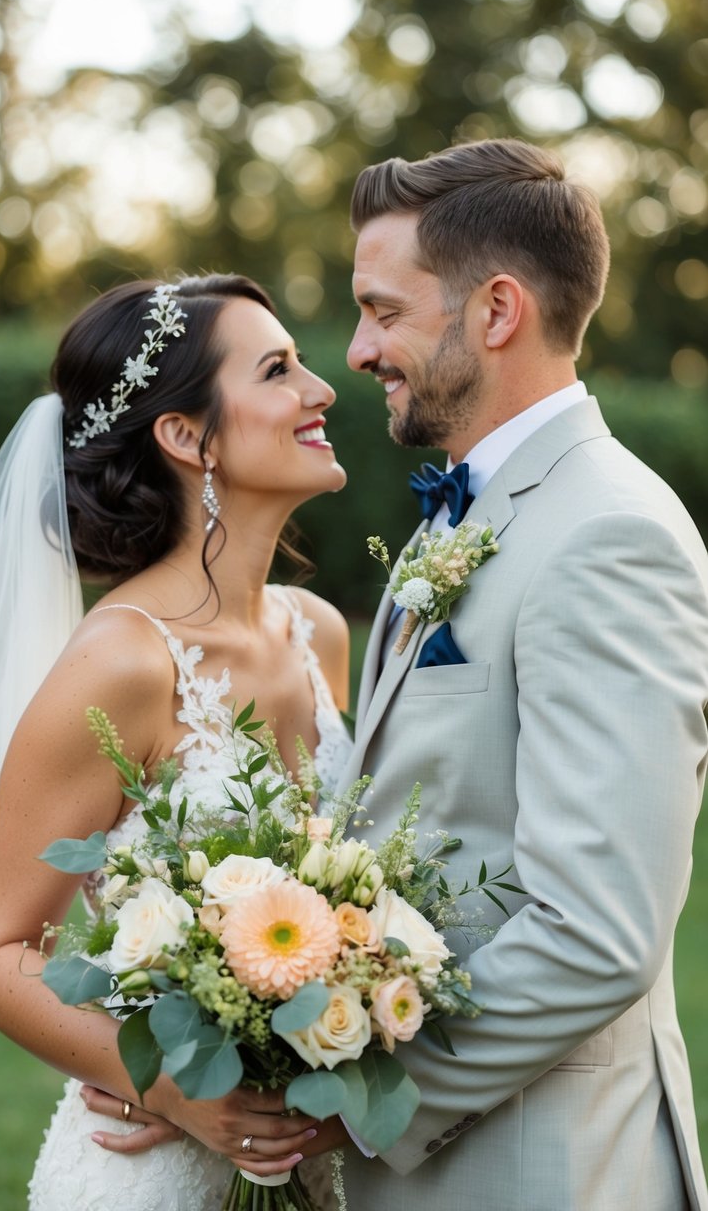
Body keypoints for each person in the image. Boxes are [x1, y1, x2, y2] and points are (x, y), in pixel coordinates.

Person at [331, 137, 708, 1209]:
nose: (359, 349)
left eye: (383, 309)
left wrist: (346, 1085)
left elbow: (595, 929)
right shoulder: (464, 511)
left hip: (541, 1169)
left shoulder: (607, 536)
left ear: (495, 311)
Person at [0, 273, 352, 1210]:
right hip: (149, 1165)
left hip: (310, 1154)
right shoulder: (122, 664)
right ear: (186, 437)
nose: (321, 389)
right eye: (279, 369)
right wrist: (166, 1086)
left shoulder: (319, 632)